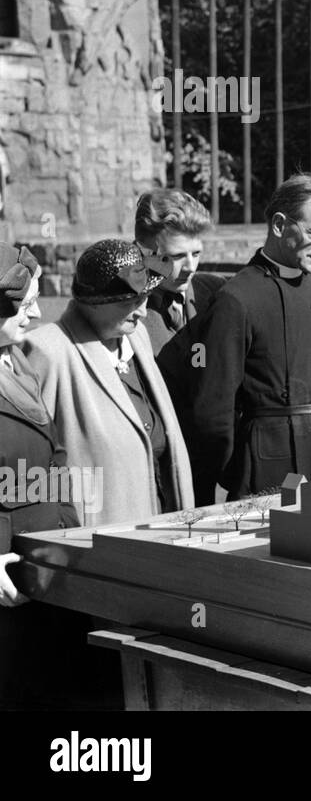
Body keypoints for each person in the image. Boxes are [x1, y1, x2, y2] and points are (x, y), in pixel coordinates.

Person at [180, 174, 311, 503]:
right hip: (276, 467)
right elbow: (215, 407)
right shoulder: (236, 298)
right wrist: (227, 472)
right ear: (280, 225)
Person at [0, 243, 121, 711]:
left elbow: (54, 453)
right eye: (25, 303)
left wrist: (70, 522)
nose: (33, 313)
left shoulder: (16, 359)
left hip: (44, 555)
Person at [23, 240, 195, 528]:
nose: (142, 312)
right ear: (93, 303)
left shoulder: (136, 337)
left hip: (166, 529)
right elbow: (30, 468)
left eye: (144, 299)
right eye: (130, 302)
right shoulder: (47, 351)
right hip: (96, 545)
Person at [134, 188, 225, 353]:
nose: (190, 267)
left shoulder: (218, 292)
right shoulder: (125, 312)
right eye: (177, 256)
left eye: (196, 253)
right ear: (144, 251)